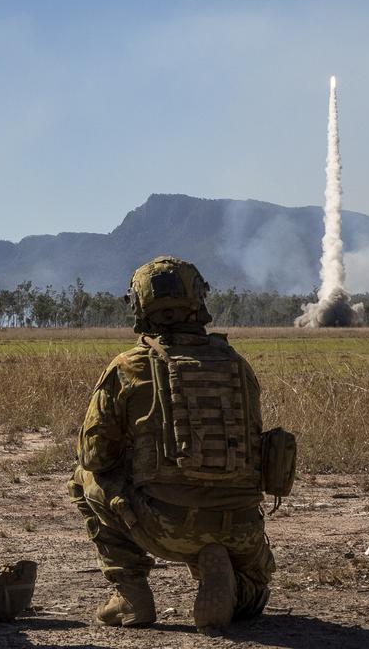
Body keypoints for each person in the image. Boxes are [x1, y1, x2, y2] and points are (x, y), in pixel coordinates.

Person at [68, 256, 275, 633]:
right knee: (254, 596)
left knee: (83, 477)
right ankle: (234, 584)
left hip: (166, 524)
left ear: (140, 306)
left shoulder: (129, 366)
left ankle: (131, 593)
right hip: (242, 525)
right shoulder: (237, 364)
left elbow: (94, 454)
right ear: (199, 300)